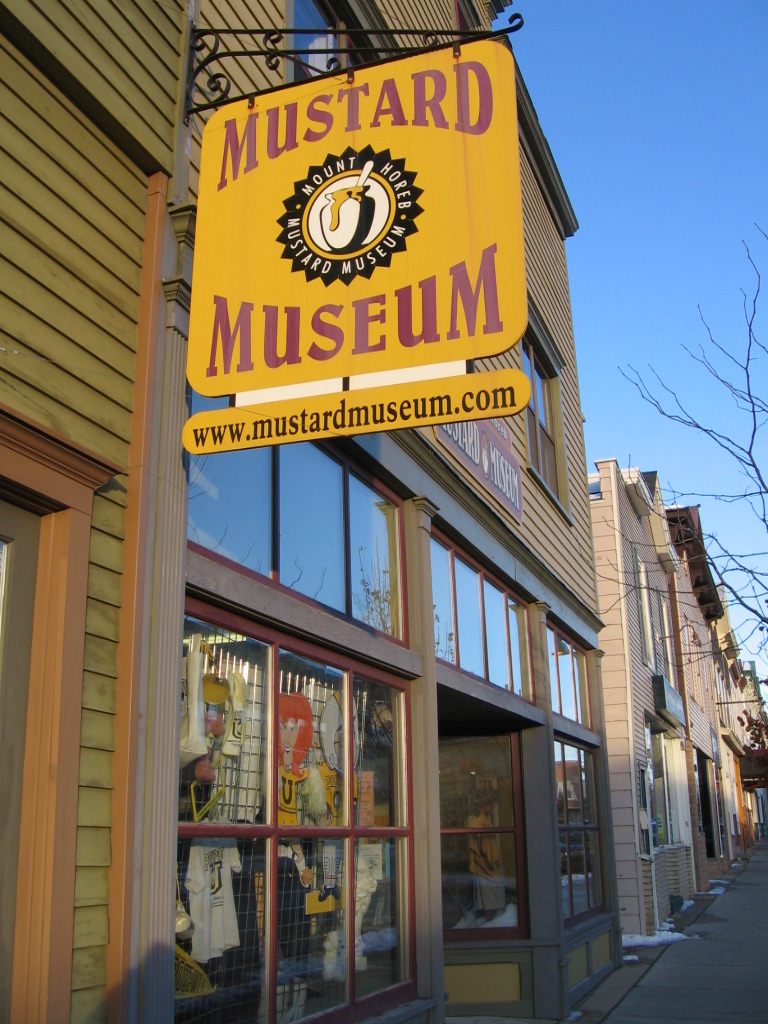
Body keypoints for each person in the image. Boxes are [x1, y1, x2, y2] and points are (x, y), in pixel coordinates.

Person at [465, 788, 505, 921]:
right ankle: (493, 925)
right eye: (491, 803)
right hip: (489, 870)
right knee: (493, 904)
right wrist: (496, 862)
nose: (493, 806)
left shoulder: (472, 821)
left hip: (478, 867)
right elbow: (489, 849)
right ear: (483, 805)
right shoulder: (484, 823)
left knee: (485, 902)